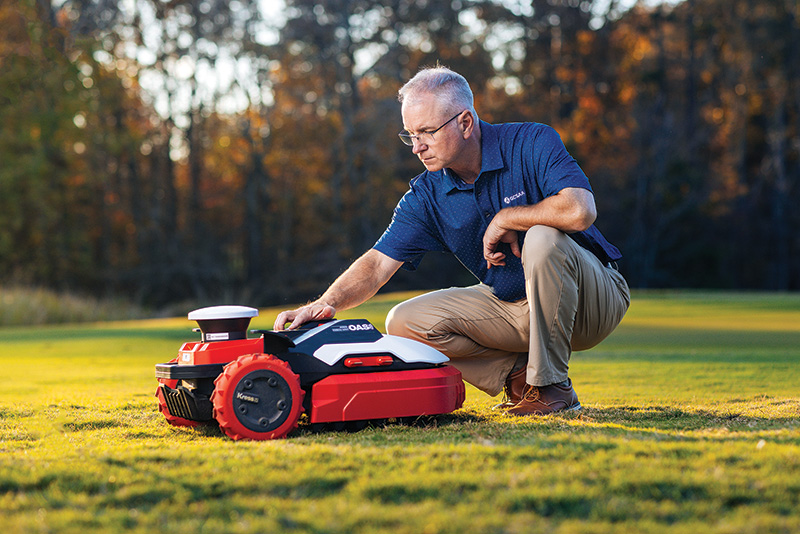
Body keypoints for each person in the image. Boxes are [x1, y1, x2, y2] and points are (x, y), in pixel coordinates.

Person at [274, 66, 630, 416]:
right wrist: (325, 303)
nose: (417, 147)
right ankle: (520, 378)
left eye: (426, 132)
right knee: (404, 321)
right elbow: (378, 263)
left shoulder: (530, 141)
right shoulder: (427, 194)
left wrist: (508, 217)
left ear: (465, 122)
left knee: (541, 237)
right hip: (515, 308)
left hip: (590, 302)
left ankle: (551, 386)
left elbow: (580, 210)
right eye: (410, 135)